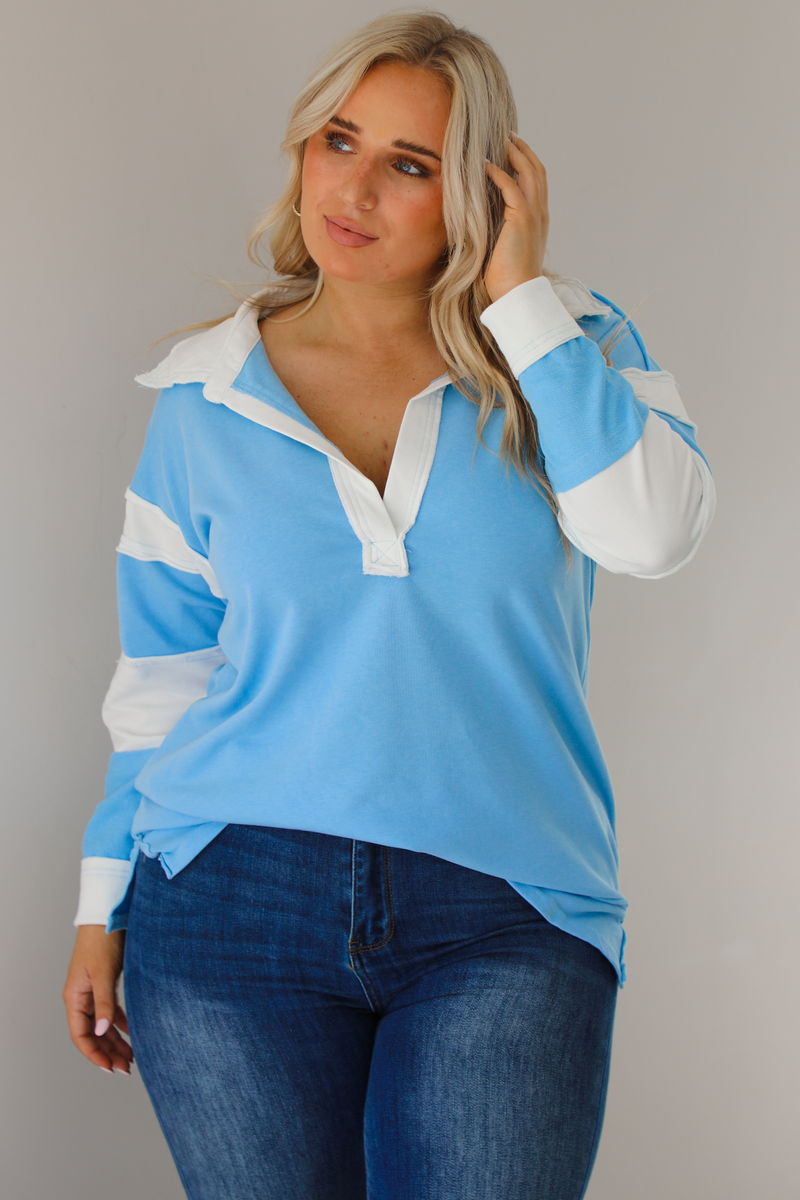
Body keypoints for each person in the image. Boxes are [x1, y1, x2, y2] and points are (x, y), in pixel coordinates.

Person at [62, 11, 715, 1200]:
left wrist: (519, 298)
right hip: (226, 899)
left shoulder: (573, 346)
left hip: (505, 904)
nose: (353, 189)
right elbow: (163, 679)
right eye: (338, 141)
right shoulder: (202, 395)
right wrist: (100, 906)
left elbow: (652, 535)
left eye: (410, 165)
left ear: (481, 193)